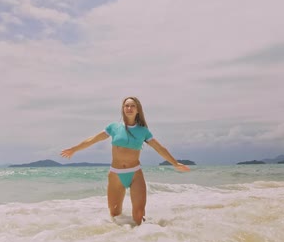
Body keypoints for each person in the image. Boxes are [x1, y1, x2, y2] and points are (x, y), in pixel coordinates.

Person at [60, 96, 190, 225]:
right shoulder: (114, 127)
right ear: (123, 109)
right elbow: (93, 139)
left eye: (133, 106)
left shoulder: (143, 131)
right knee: (115, 215)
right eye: (126, 105)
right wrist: (74, 149)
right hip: (115, 174)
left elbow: (159, 148)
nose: (129, 108)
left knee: (139, 215)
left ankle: (143, 238)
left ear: (138, 110)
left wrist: (175, 163)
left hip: (135, 174)